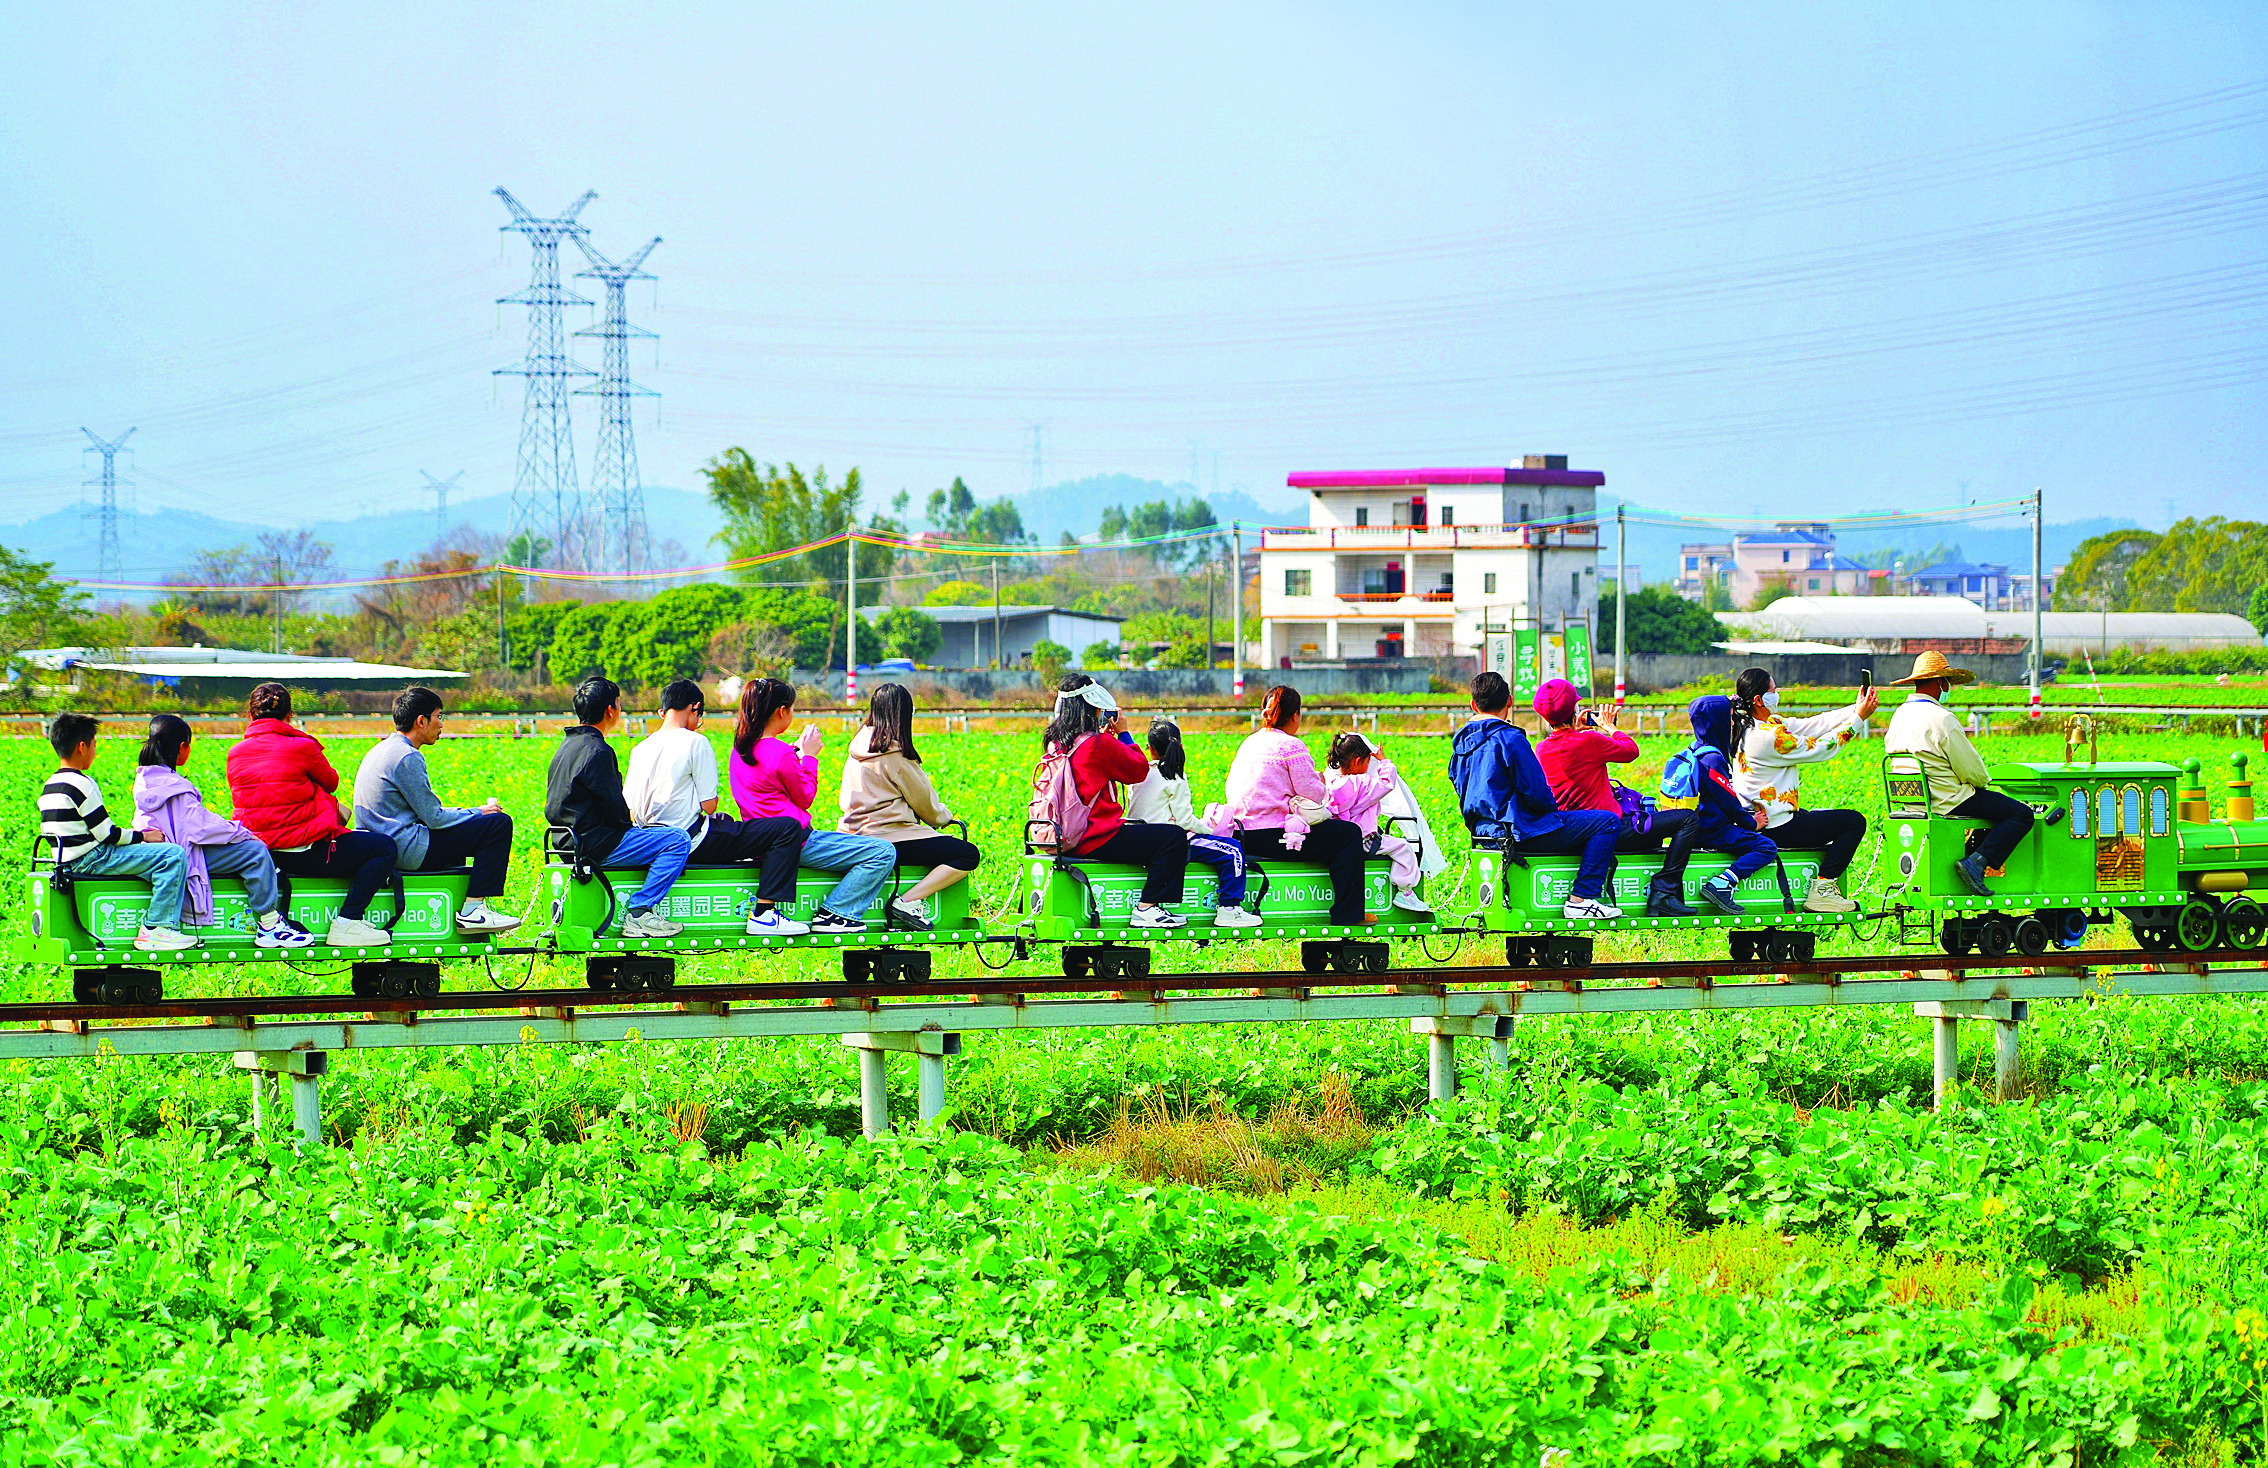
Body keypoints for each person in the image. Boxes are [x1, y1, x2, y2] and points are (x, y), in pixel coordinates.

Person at [625, 679, 809, 937]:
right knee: (786, 828)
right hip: (692, 841)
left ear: (662, 712)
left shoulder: (640, 748)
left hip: (652, 841)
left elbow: (632, 809)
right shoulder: (695, 742)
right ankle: (765, 914)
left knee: (731, 826)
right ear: (694, 708)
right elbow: (709, 806)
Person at [224, 682, 399, 948]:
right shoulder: (301, 747)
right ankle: (348, 922)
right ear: (290, 715)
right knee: (383, 847)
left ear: (250, 717)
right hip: (306, 851)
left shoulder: (234, 753)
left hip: (263, 854)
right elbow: (330, 782)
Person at [1449, 671, 1624, 919]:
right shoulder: (1510, 738)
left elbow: (1457, 782)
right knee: (1606, 822)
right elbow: (1536, 792)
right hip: (1518, 831)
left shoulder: (1460, 743)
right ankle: (1582, 898)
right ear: (1510, 702)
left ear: (1473, 705)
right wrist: (1551, 812)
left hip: (1483, 832)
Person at [729, 677, 896, 934]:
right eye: (792, 708)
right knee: (882, 852)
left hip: (760, 840)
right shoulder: (780, 752)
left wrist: (796, 752)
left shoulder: (741, 749)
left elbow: (769, 778)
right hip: (798, 841)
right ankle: (837, 913)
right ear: (782, 711)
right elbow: (805, 796)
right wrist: (810, 757)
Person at [132, 714, 314, 949]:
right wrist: (241, 831)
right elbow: (199, 826)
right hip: (183, 855)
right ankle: (270, 925)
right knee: (255, 851)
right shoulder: (175, 786)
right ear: (182, 748)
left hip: (158, 854)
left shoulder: (146, 780)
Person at [353, 686, 523, 936]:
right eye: (439, 716)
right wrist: (477, 812)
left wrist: (468, 815)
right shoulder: (406, 757)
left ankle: (466, 906)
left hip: (381, 845)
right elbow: (434, 818)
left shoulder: (382, 749)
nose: (442, 725)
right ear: (421, 721)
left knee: (463, 832)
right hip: (405, 848)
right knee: (498, 824)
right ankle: (474, 910)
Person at [544, 676, 694, 939]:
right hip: (596, 844)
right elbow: (616, 812)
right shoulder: (598, 751)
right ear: (610, 710)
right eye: (619, 704)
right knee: (677, 839)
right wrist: (637, 827)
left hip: (565, 843)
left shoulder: (565, 747)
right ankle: (640, 912)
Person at [1040, 673, 1190, 929]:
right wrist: (1124, 735)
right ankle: (1148, 908)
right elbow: (1138, 770)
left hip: (1061, 836)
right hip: (1095, 839)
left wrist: (1107, 739)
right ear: (1091, 708)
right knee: (1173, 838)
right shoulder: (1098, 745)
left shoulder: (1057, 743)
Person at [39, 712, 199, 953]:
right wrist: (145, 836)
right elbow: (107, 835)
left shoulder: (49, 785)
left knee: (152, 857)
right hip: (92, 858)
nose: (95, 750)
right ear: (82, 747)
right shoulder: (82, 784)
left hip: (66, 860)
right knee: (172, 856)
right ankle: (157, 928)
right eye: (94, 745)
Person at [1881, 651, 2032, 897]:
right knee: (2021, 814)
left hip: (1911, 801)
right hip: (1947, 800)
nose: (1948, 688)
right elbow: (1974, 772)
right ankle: (1976, 863)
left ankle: (1973, 858)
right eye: (1947, 682)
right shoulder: (1942, 719)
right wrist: (1983, 784)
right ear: (1940, 682)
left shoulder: (1899, 715)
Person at [838, 683, 984, 932]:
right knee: (967, 854)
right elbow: (927, 806)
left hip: (853, 836)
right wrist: (944, 817)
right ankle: (907, 902)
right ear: (904, 714)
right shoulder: (895, 754)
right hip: (890, 836)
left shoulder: (857, 748)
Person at [1728, 668, 1876, 914]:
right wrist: (1859, 720)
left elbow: (1811, 725)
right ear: (1758, 700)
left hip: (1763, 818)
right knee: (1853, 822)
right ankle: (1822, 891)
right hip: (1777, 826)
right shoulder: (1770, 737)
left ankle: (1824, 888)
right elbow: (1822, 747)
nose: (1778, 695)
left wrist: (1855, 708)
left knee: (1821, 819)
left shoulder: (1752, 726)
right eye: (1773, 691)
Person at [1225, 686, 1370, 927]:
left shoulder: (1249, 742)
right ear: (1295, 716)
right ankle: (1349, 914)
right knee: (1348, 835)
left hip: (1242, 833)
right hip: (1275, 836)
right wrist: (1321, 781)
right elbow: (1313, 794)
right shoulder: (1291, 746)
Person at [1124, 719, 1261, 928]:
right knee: (1232, 850)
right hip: (1169, 843)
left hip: (1139, 837)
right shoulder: (1174, 777)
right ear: (1180, 746)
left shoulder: (1141, 774)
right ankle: (1229, 909)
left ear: (1150, 749)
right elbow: (1185, 820)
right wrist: (1211, 832)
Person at [1680, 695, 1780, 915]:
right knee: (1766, 847)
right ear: (1717, 722)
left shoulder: (1696, 749)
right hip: (1710, 830)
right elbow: (1728, 803)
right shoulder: (1713, 759)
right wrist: (1750, 822)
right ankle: (1722, 884)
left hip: (1695, 825)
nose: (1733, 723)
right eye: (1729, 718)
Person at [1324, 732, 1432, 917]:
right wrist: (1383, 761)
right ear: (1358, 762)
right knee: (1403, 847)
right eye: (1368, 762)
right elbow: (1387, 783)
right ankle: (1405, 891)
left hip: (1338, 842)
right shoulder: (1361, 783)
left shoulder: (1332, 783)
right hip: (1364, 840)